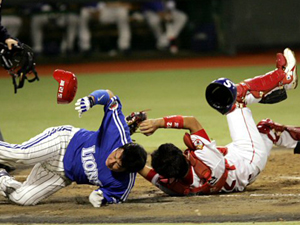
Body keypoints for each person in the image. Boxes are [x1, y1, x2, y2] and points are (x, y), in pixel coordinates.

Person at [138, 48, 299, 196]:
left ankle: (272, 91)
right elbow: (191, 122)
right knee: (234, 98)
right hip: (248, 157)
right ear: (184, 157)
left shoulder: (174, 187)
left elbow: (148, 172)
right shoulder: (205, 158)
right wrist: (157, 123)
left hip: (242, 170)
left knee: (267, 129)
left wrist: (133, 160)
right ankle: (284, 78)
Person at [0, 82, 147, 207]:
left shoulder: (123, 183)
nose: (111, 161)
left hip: (62, 174)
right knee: (22, 155)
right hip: (63, 143)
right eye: (116, 155)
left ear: (127, 171)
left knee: (23, 199)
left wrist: (101, 198)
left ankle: (1, 177)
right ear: (121, 147)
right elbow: (109, 96)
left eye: (117, 165)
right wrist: (92, 99)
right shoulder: (117, 133)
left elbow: (116, 197)